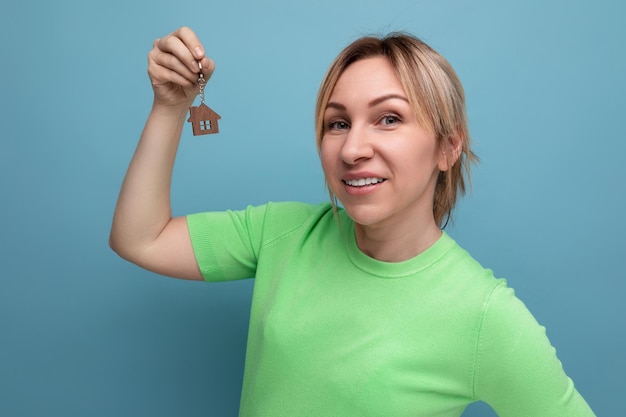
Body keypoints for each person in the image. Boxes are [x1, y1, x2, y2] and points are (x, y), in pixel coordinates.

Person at [110, 26, 596, 416]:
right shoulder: (283, 233)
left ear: (448, 147)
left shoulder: (487, 316)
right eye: (337, 123)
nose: (352, 149)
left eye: (388, 119)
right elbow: (140, 238)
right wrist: (170, 106)